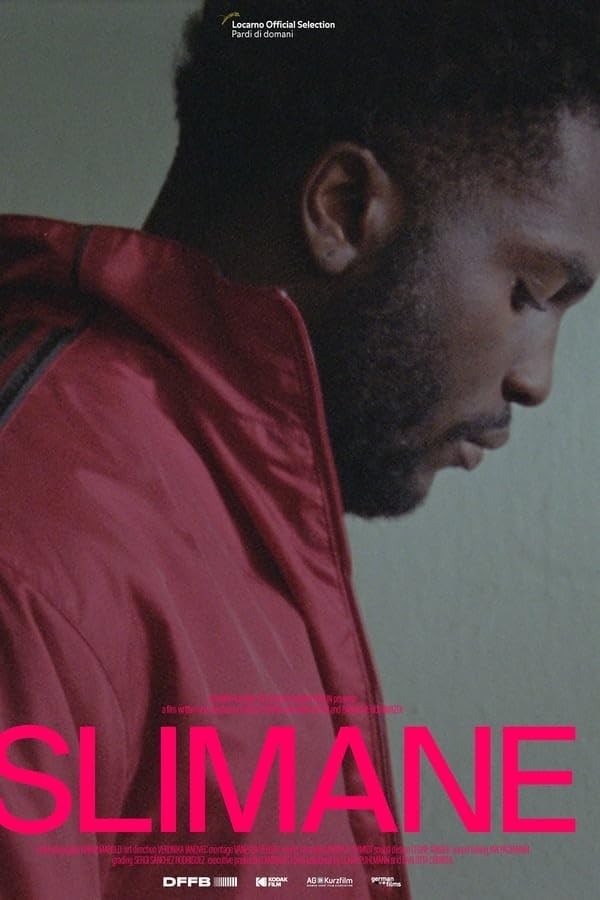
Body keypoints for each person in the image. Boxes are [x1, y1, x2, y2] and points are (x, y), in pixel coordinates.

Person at [0, 1, 599, 897]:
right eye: (533, 289)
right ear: (343, 208)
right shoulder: (38, 546)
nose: (535, 380)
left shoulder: (229, 499)